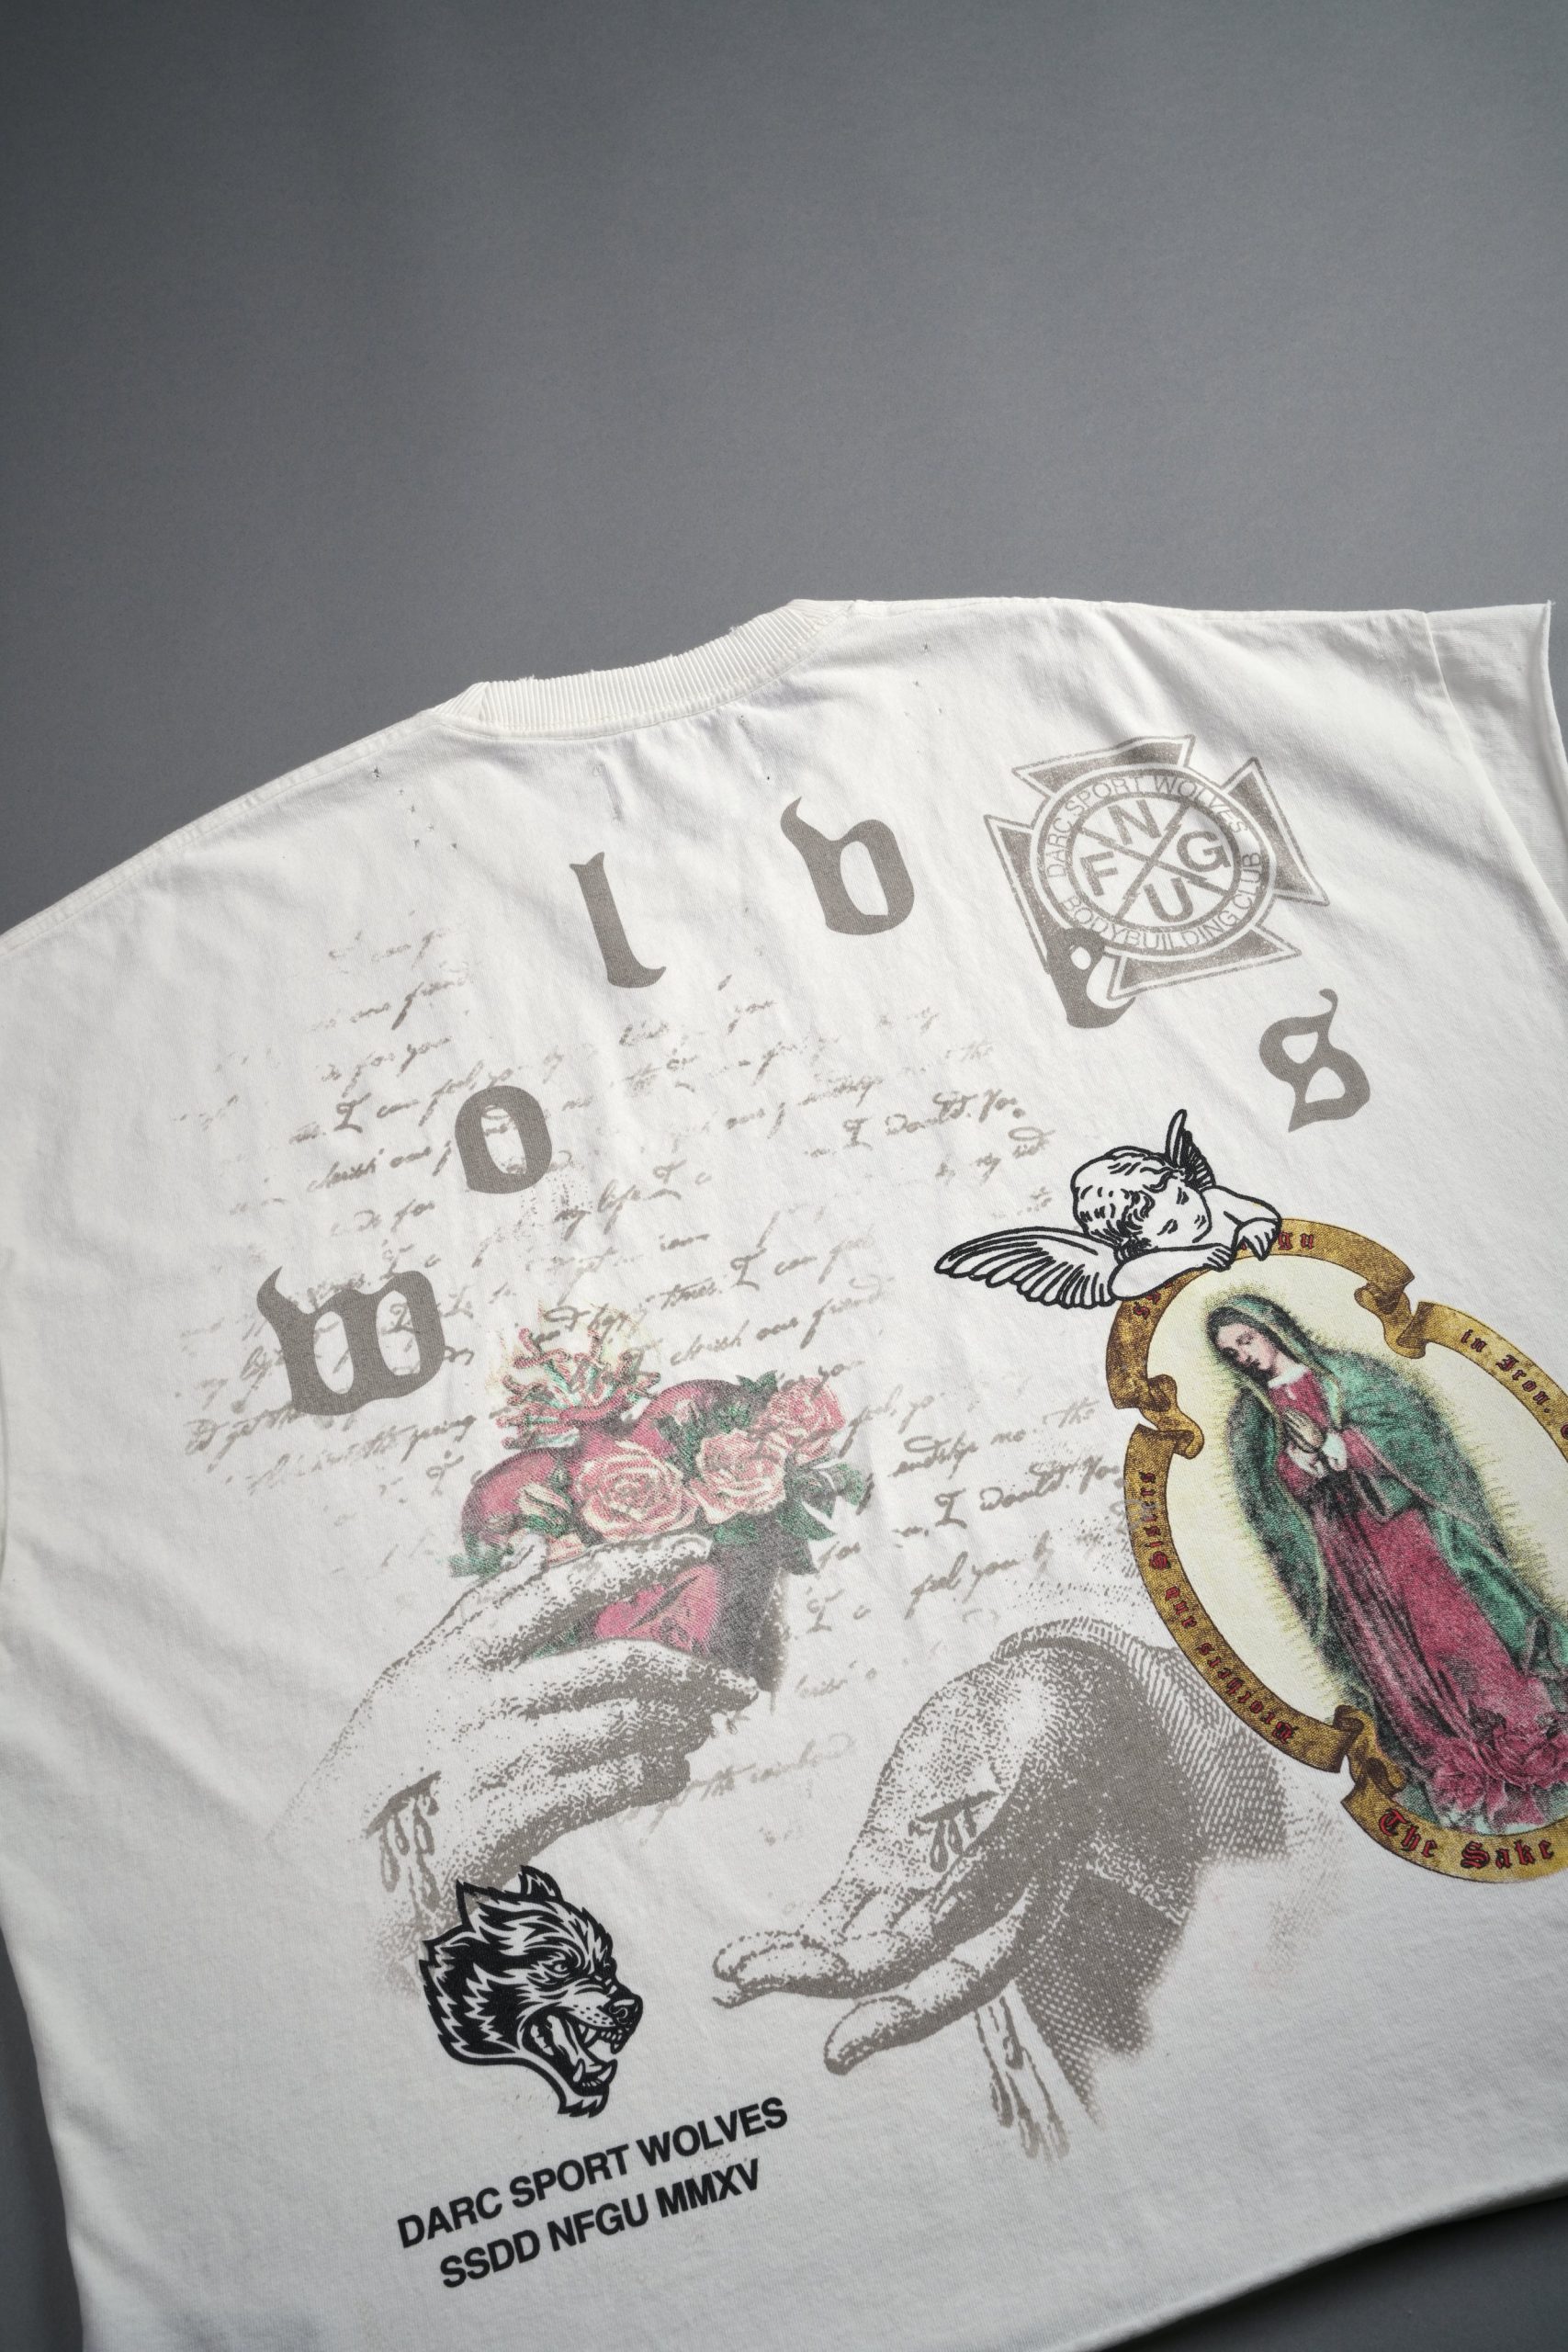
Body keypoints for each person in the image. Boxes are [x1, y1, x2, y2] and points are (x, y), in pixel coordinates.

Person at [1209, 1295, 1568, 1830]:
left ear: (1271, 1328)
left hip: (1400, 1530)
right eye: (1232, 1354)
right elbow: (1268, 1506)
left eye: (1246, 1340)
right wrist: (1296, 1469)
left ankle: (1523, 1734)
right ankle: (1456, 1759)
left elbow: (1413, 1432)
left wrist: (1348, 1446)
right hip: (1341, 1552)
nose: (1245, 1357)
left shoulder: (1348, 1374)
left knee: (1450, 1628)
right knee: (1391, 1654)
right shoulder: (1250, 1422)